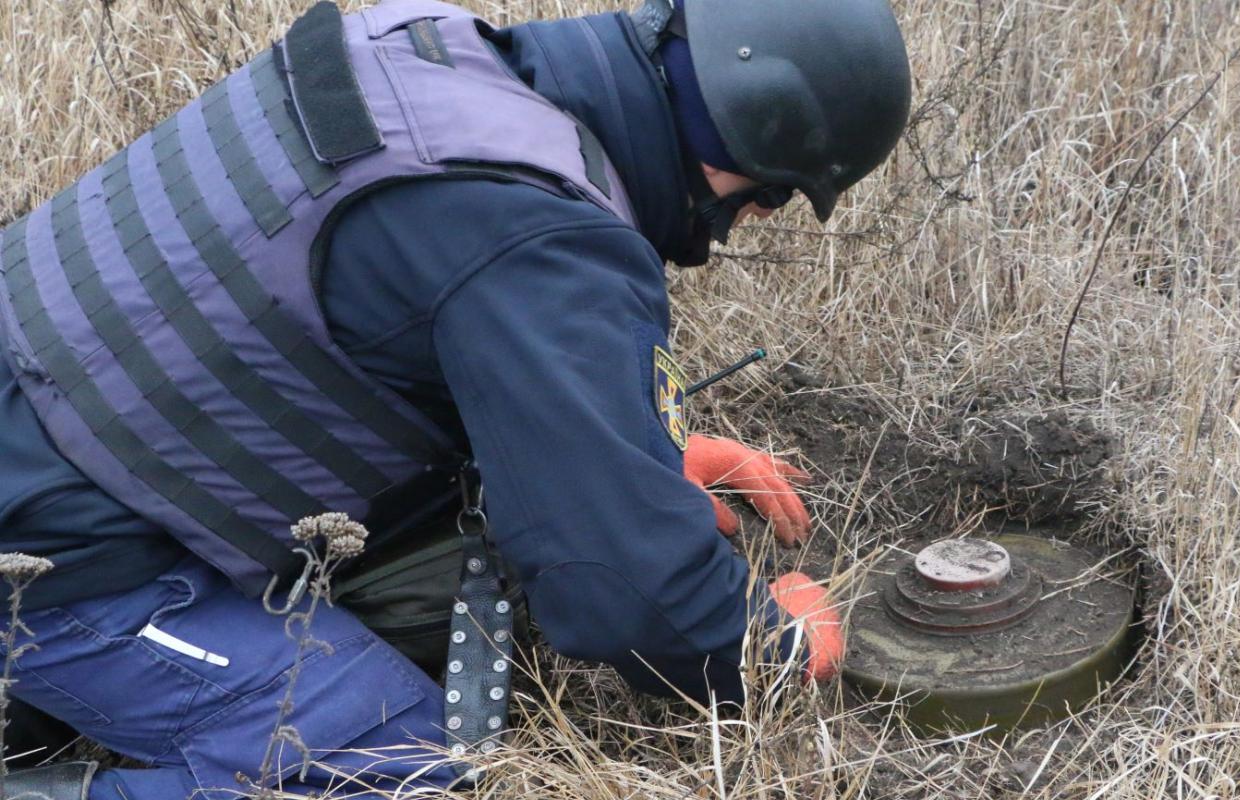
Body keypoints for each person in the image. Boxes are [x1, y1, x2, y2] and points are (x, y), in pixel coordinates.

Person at [0, 0, 912, 796]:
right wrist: (768, 649)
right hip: (47, 545)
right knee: (385, 770)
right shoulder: (538, 240)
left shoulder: (430, 50)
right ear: (749, 140)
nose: (753, 221)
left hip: (39, 415)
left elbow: (374, 324)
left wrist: (642, 452)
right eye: (777, 198)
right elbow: (626, 592)